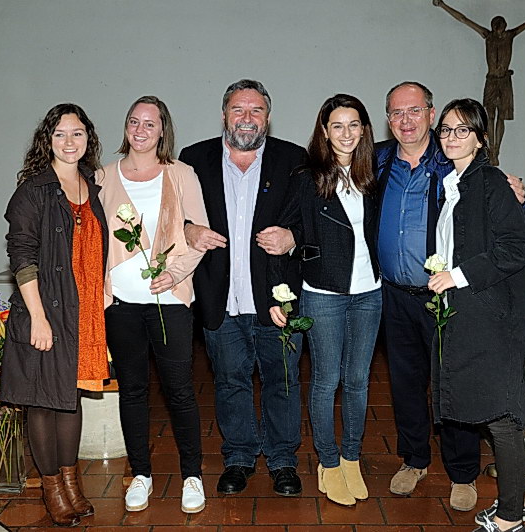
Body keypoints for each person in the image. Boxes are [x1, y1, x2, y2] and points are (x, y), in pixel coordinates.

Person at [376, 81, 525, 512]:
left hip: (444, 295)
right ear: (388, 120)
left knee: (455, 383)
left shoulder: (453, 161)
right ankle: (414, 459)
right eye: (396, 112)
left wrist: (520, 195)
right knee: (405, 384)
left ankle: (462, 473)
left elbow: (499, 219)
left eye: (414, 110)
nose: (405, 120)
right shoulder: (378, 161)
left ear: (430, 113)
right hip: (394, 294)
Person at [178, 79, 307, 496]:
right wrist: (188, 229)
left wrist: (293, 237)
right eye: (238, 110)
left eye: (256, 111)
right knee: (230, 380)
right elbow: (168, 214)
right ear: (224, 115)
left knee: (282, 380)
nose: (247, 118)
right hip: (220, 297)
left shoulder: (294, 159)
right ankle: (238, 457)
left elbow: (314, 218)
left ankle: (283, 460)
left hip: (277, 299)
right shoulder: (193, 159)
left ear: (268, 117)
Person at [97, 96, 210, 514]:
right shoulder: (102, 176)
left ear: (163, 130)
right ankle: (141, 474)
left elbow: (200, 234)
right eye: (134, 121)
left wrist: (175, 273)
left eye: (150, 123)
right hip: (121, 305)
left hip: (170, 303)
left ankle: (192, 475)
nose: (140, 130)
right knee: (132, 391)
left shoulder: (181, 174)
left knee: (179, 390)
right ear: (125, 126)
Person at [269, 94, 381, 506]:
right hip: (323, 294)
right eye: (337, 125)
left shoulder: (374, 174)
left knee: (358, 381)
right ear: (324, 130)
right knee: (326, 380)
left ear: (364, 130)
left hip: (370, 293)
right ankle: (328, 463)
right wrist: (279, 293)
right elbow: (283, 235)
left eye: (354, 125)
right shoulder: (307, 177)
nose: (346, 133)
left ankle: (351, 457)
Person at [427, 98, 525, 532]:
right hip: (465, 313)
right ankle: (521, 500)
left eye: (462, 130)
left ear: (481, 139)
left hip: (490, 315)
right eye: (446, 130)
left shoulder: (490, 182)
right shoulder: (454, 184)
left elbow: (515, 247)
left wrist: (456, 276)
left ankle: (510, 518)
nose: (452, 137)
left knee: (501, 415)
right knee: (487, 409)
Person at [1, 103, 109, 527]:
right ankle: (52, 488)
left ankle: (71, 483)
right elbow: (22, 257)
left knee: (69, 399)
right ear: (47, 140)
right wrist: (38, 317)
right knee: (42, 403)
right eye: (60, 133)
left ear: (88, 139)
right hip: (45, 310)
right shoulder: (33, 191)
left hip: (81, 313)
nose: (69, 141)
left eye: (77, 133)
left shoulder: (91, 187)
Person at [433, 0, 525, 165]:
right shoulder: (488, 36)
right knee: (489, 116)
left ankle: (496, 150)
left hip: (504, 81)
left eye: (501, 24)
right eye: (496, 24)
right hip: (491, 79)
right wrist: (443, 5)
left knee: (501, 117)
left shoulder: (510, 36)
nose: (499, 27)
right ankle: (491, 149)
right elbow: (463, 19)